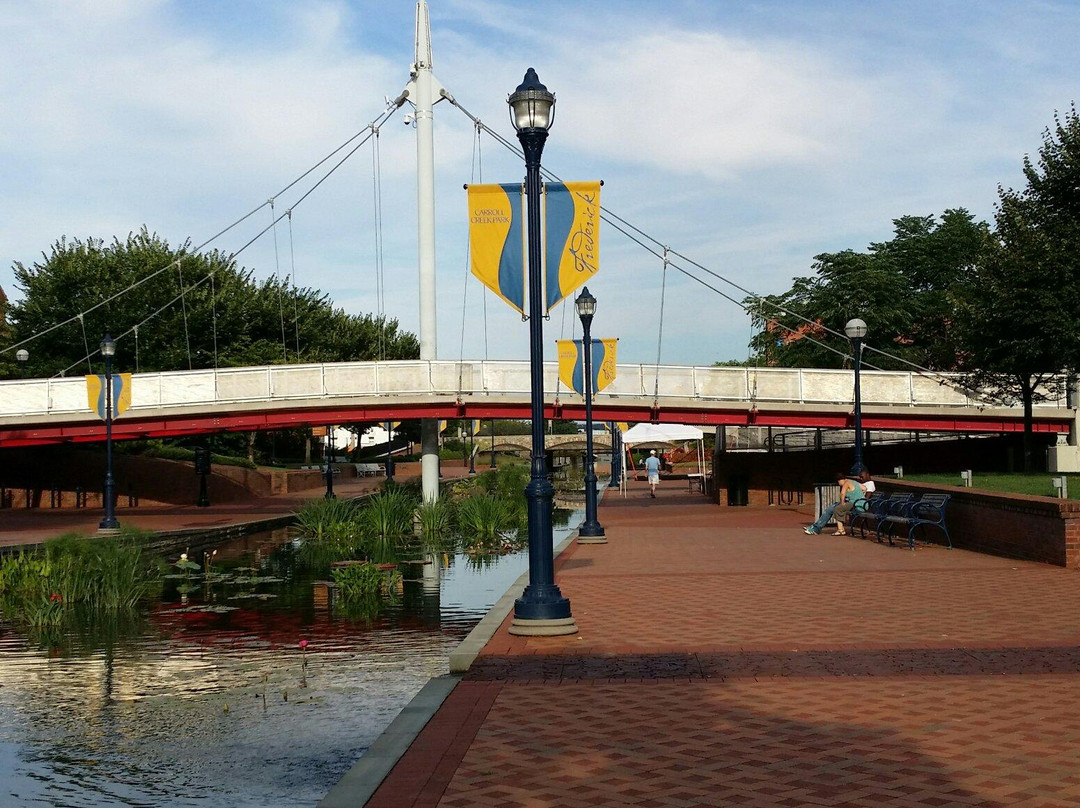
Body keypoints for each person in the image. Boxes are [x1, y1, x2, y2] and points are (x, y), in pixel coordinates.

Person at [804, 471, 865, 535]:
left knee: (837, 509)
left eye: (838, 482)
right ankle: (816, 527)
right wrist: (859, 495)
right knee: (831, 508)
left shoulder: (846, 483)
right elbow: (864, 488)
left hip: (856, 504)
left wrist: (842, 503)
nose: (839, 484)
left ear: (839, 480)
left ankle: (839, 530)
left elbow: (842, 494)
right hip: (860, 503)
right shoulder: (853, 481)